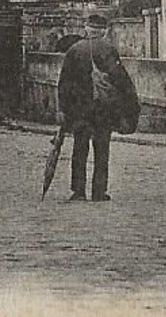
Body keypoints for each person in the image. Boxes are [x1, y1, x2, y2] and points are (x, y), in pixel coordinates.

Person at [57, 12, 140, 203]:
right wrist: (130, 106)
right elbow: (121, 81)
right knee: (102, 150)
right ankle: (99, 191)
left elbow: (64, 82)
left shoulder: (75, 50)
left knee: (80, 149)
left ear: (87, 29)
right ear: (103, 31)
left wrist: (63, 108)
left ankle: (78, 191)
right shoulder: (109, 50)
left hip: (80, 109)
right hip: (103, 109)